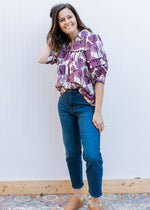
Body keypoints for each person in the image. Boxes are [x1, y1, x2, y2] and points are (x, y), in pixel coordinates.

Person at [38, 3, 108, 210]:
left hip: (86, 103)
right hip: (65, 103)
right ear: (57, 25)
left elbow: (100, 77)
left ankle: (94, 199)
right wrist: (53, 35)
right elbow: (42, 59)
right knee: (71, 152)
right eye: (61, 20)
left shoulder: (90, 39)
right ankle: (77, 195)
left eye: (69, 17)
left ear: (75, 17)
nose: (67, 22)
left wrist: (98, 111)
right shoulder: (62, 45)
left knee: (92, 155)